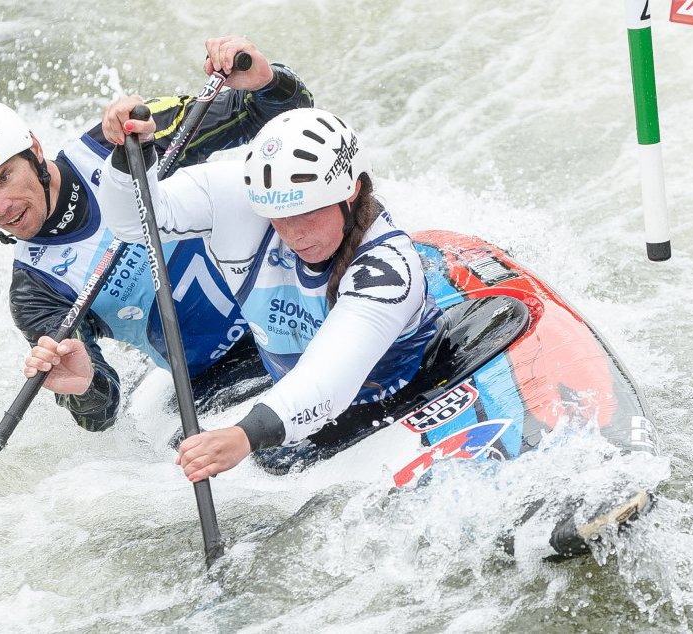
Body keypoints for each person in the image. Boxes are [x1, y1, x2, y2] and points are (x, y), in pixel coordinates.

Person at [28, 105, 443, 480]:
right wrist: (127, 160)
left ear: (350, 192)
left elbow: (328, 378)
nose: (295, 233)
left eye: (308, 213)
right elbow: (137, 225)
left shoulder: (389, 268)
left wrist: (246, 435)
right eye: (279, 215)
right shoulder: (240, 196)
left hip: (401, 392)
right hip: (292, 405)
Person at [0, 36, 313, 433]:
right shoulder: (35, 291)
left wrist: (264, 78)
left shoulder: (127, 140)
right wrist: (83, 388)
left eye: (4, 177)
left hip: (299, 312)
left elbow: (282, 116)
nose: (1, 206)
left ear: (35, 151)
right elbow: (102, 412)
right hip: (217, 380)